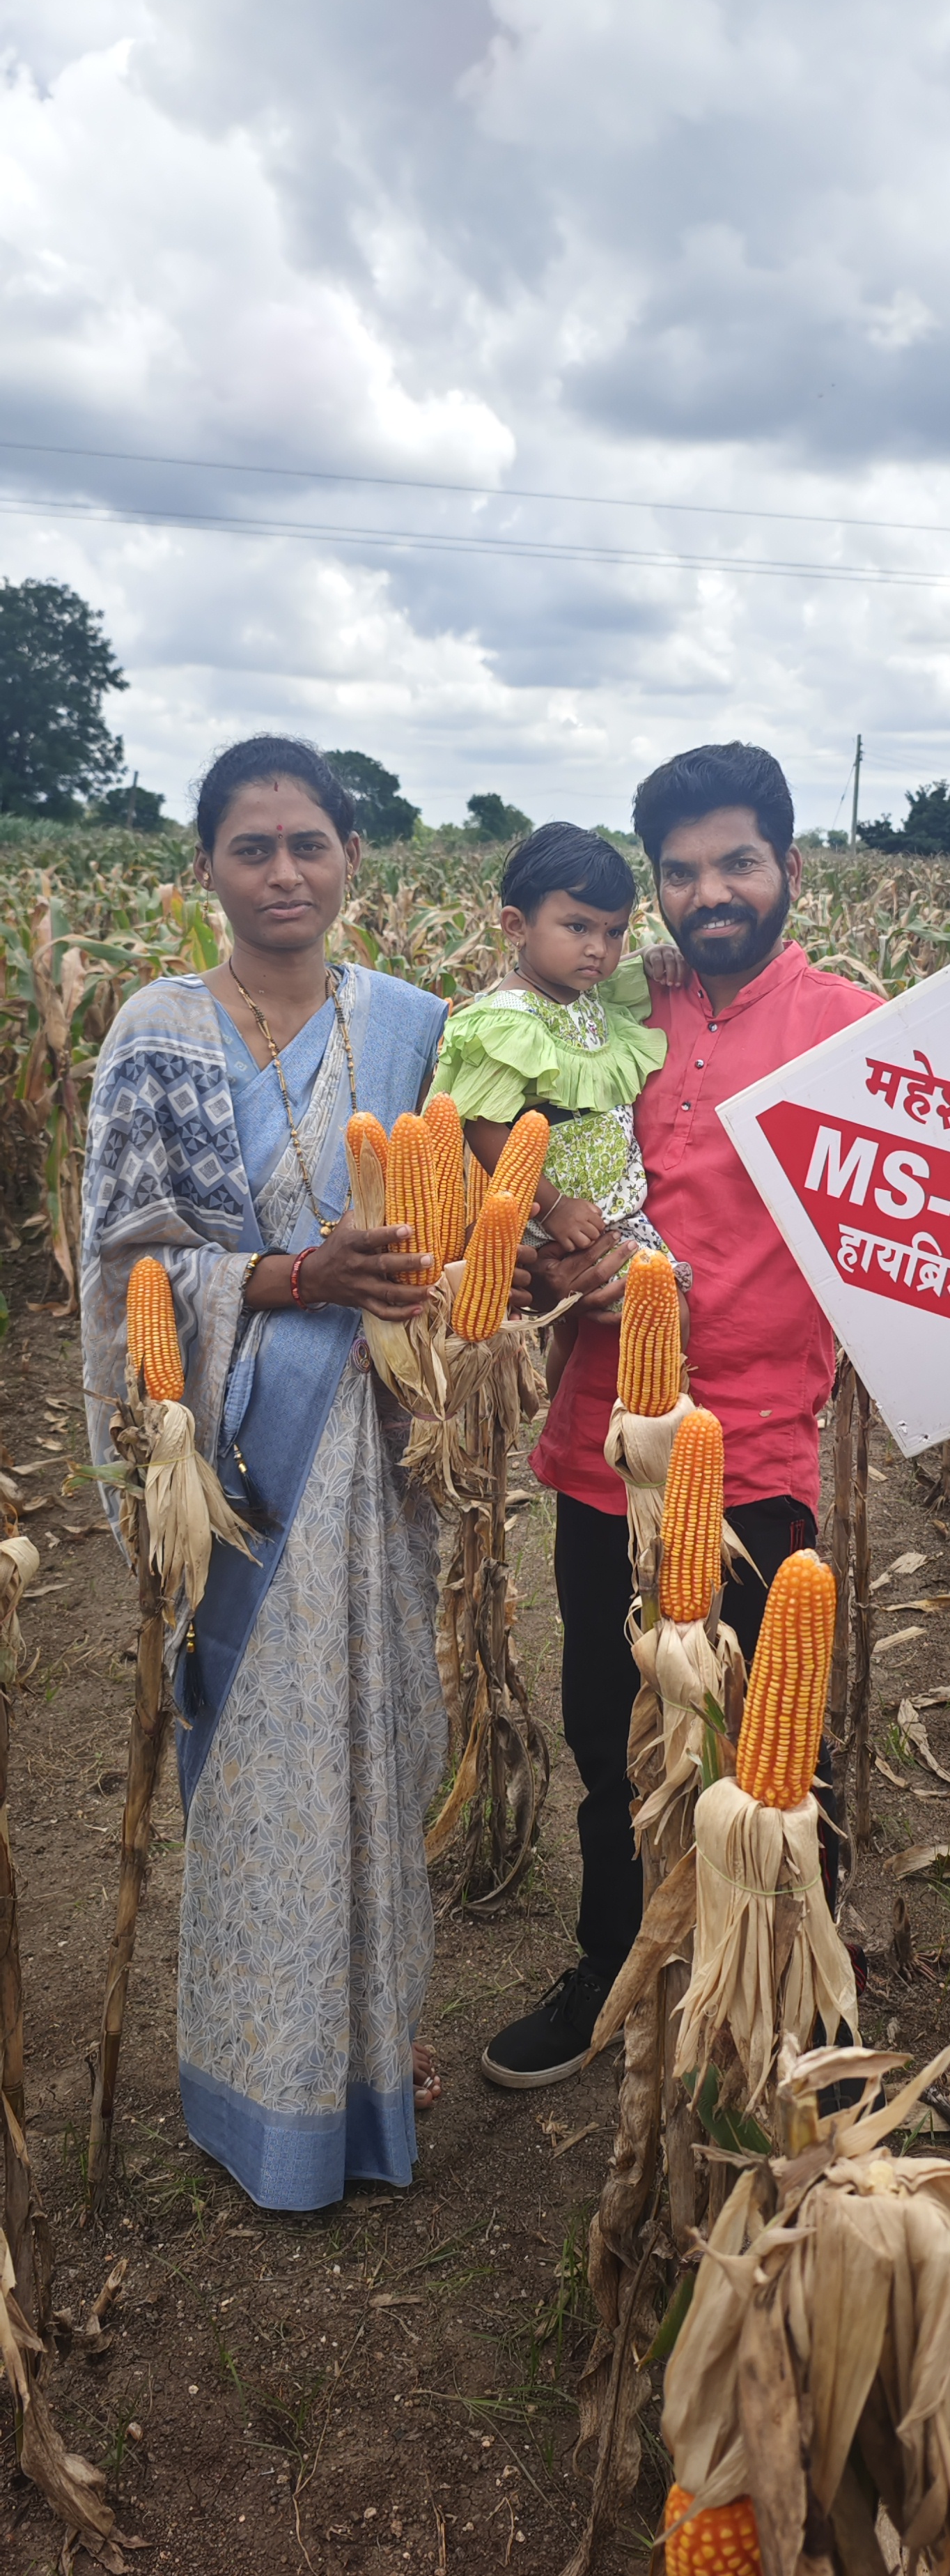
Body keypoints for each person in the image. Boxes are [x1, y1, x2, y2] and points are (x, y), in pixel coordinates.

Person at [481, 741, 950, 2090]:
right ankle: (609, 1960)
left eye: (736, 862)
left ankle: (797, 2005)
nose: (707, 891)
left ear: (790, 867)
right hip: (602, 1443)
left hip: (756, 1451)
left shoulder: (860, 1025)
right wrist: (542, 1258)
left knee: (775, 1752)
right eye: (680, 871)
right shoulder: (607, 1005)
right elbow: (510, 1136)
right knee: (610, 1739)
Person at [81, 734, 451, 2212]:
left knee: (385, 1739)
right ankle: (263, 2076)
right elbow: (121, 1273)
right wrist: (293, 1277)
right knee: (266, 1767)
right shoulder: (157, 1030)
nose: (285, 871)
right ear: (208, 867)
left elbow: (479, 1212)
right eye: (253, 845)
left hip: (382, 1454)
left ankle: (380, 2048)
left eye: (310, 841)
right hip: (237, 1465)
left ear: (352, 855)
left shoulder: (418, 1025)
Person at [430, 821, 687, 1357]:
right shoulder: (509, 1022)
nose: (599, 949)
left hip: (607, 1207)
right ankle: (652, 1422)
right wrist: (552, 1208)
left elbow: (638, 974)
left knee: (575, 1342)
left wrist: (657, 956)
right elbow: (482, 1124)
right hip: (565, 1220)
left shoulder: (585, 993)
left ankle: (571, 1432)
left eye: (614, 932)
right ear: (516, 925)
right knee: (669, 1312)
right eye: (578, 927)